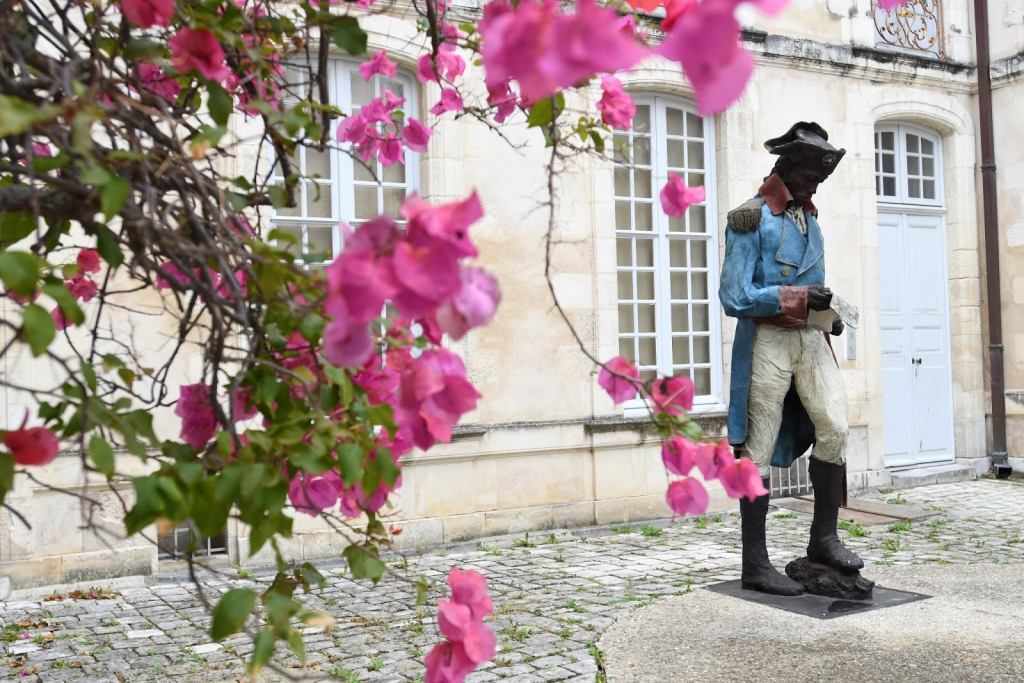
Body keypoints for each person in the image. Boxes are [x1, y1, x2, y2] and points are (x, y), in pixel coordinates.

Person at [719, 122, 863, 596]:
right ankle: (755, 564)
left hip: (809, 341)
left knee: (836, 427)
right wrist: (800, 296)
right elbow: (735, 296)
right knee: (757, 447)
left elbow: (812, 286)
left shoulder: (811, 219)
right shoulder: (749, 218)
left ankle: (823, 539)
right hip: (768, 342)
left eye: (818, 182)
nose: (813, 187)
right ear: (785, 170)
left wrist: (828, 315)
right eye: (808, 179)